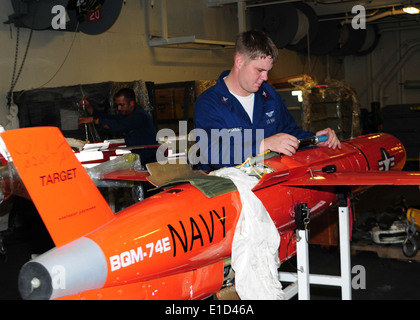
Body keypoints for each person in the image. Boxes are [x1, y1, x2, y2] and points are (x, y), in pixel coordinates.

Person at [193, 30, 341, 170]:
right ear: (239, 62)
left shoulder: (268, 95)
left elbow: (289, 132)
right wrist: (264, 144)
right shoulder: (209, 103)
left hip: (267, 182)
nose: (265, 78)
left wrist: (315, 139)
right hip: (227, 188)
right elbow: (213, 153)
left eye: (268, 71)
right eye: (260, 70)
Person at [78, 88, 157, 165]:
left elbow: (119, 125)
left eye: (122, 105)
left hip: (148, 161)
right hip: (138, 158)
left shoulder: (140, 116)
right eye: (117, 105)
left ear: (132, 103)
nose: (119, 108)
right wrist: (89, 108)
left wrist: (94, 120)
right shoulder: (126, 115)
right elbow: (109, 118)